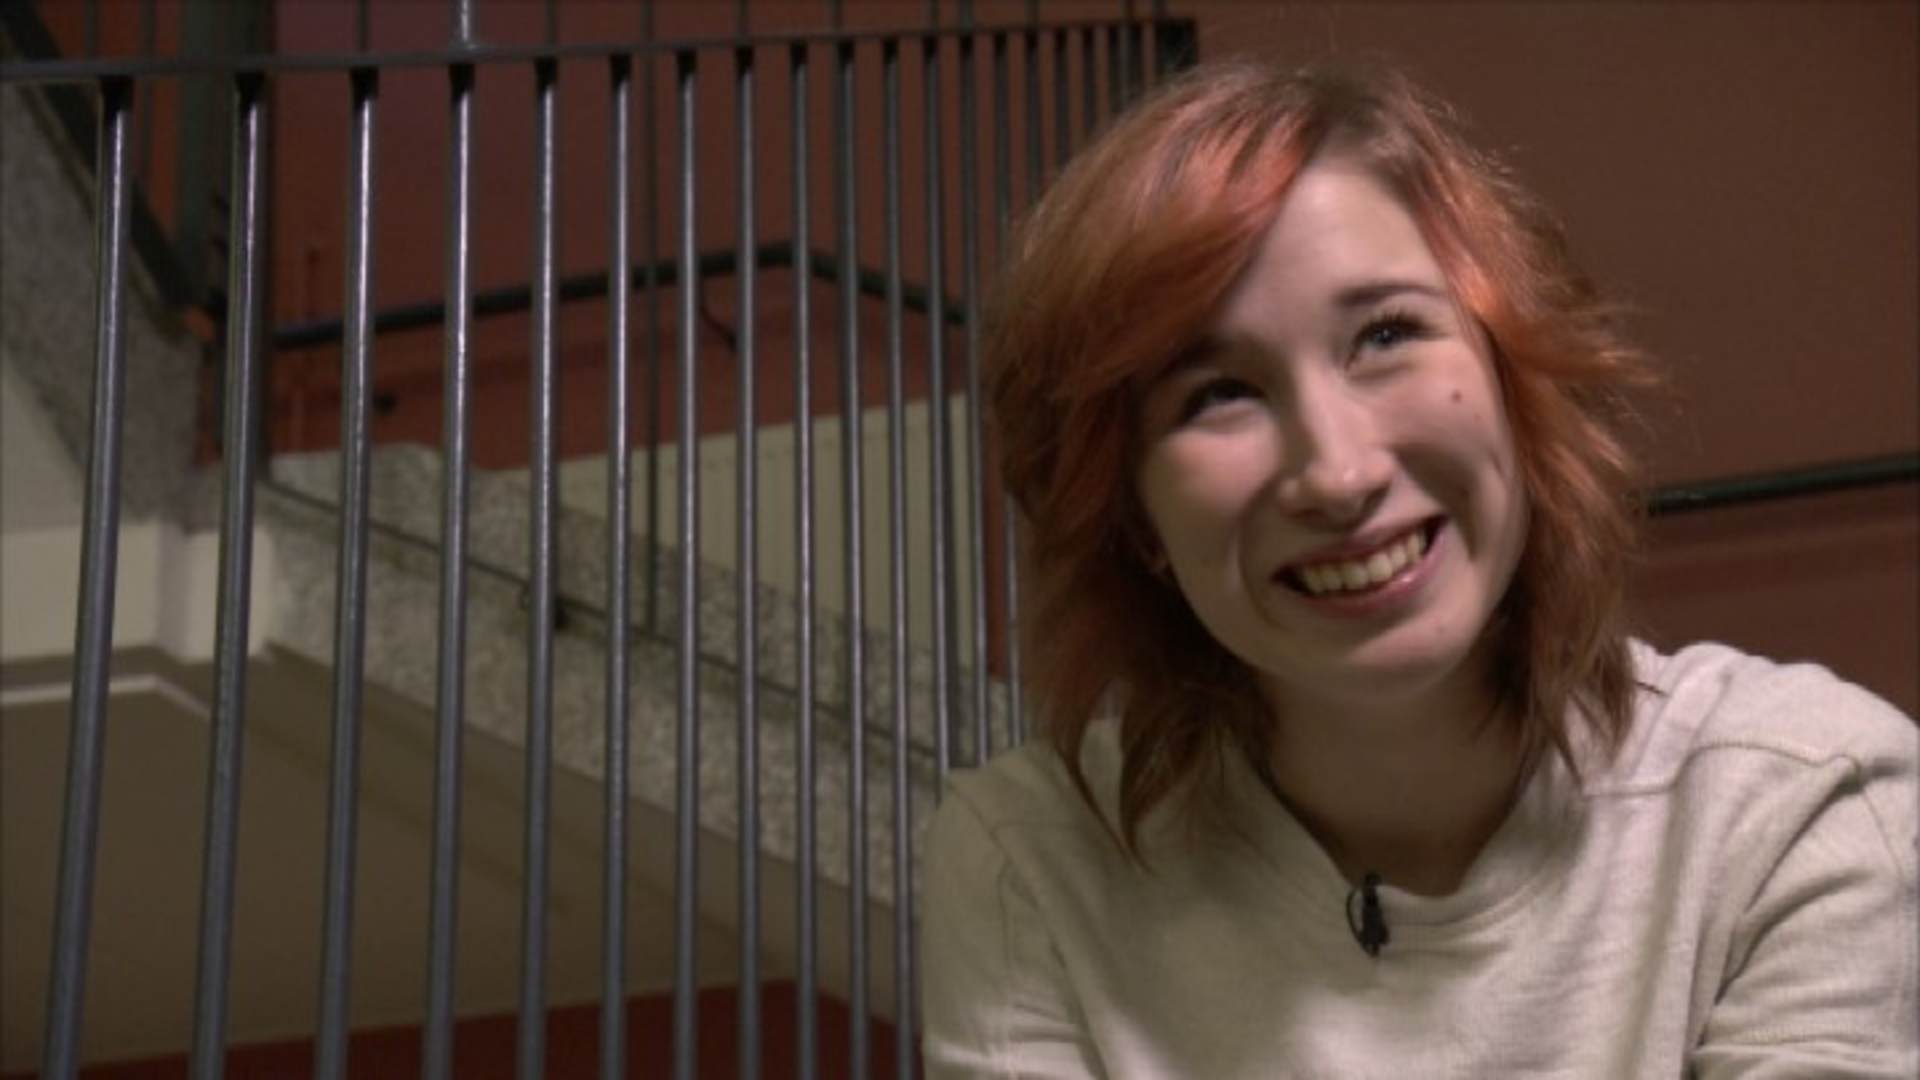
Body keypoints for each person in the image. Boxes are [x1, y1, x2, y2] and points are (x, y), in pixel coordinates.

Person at [919, 60, 1917, 1078]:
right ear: (1133, 513)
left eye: (1386, 334)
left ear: (1516, 381)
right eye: (1218, 394)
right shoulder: (1028, 862)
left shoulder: (1801, 800)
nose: (1338, 474)